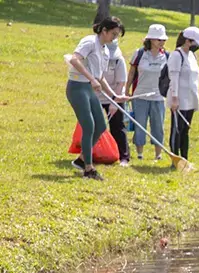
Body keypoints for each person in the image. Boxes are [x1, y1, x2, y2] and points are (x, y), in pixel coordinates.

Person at [66, 16, 130, 181]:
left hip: (88, 88)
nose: (114, 38)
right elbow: (74, 59)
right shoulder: (89, 42)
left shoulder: (105, 49)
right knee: (89, 127)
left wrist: (114, 95)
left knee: (100, 126)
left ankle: (81, 160)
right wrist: (91, 78)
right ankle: (88, 168)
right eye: (113, 34)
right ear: (104, 30)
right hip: (77, 87)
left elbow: (100, 76)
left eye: (117, 35)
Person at [127, 24, 168, 162]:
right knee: (140, 125)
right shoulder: (139, 54)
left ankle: (158, 154)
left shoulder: (167, 56)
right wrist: (127, 91)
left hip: (159, 97)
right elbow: (132, 72)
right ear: (150, 39)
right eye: (159, 40)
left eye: (163, 40)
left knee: (158, 126)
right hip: (139, 96)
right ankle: (139, 154)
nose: (161, 42)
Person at [167, 26, 199, 163]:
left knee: (185, 130)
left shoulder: (192, 55)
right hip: (179, 99)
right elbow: (174, 78)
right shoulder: (176, 55)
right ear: (188, 41)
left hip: (191, 99)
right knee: (177, 130)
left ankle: (185, 158)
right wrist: (174, 98)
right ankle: (175, 158)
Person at [97, 38, 129, 166]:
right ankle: (95, 153)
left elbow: (121, 83)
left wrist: (114, 102)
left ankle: (123, 157)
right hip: (97, 96)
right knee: (95, 126)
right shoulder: (96, 58)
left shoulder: (118, 61)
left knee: (117, 127)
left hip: (115, 96)